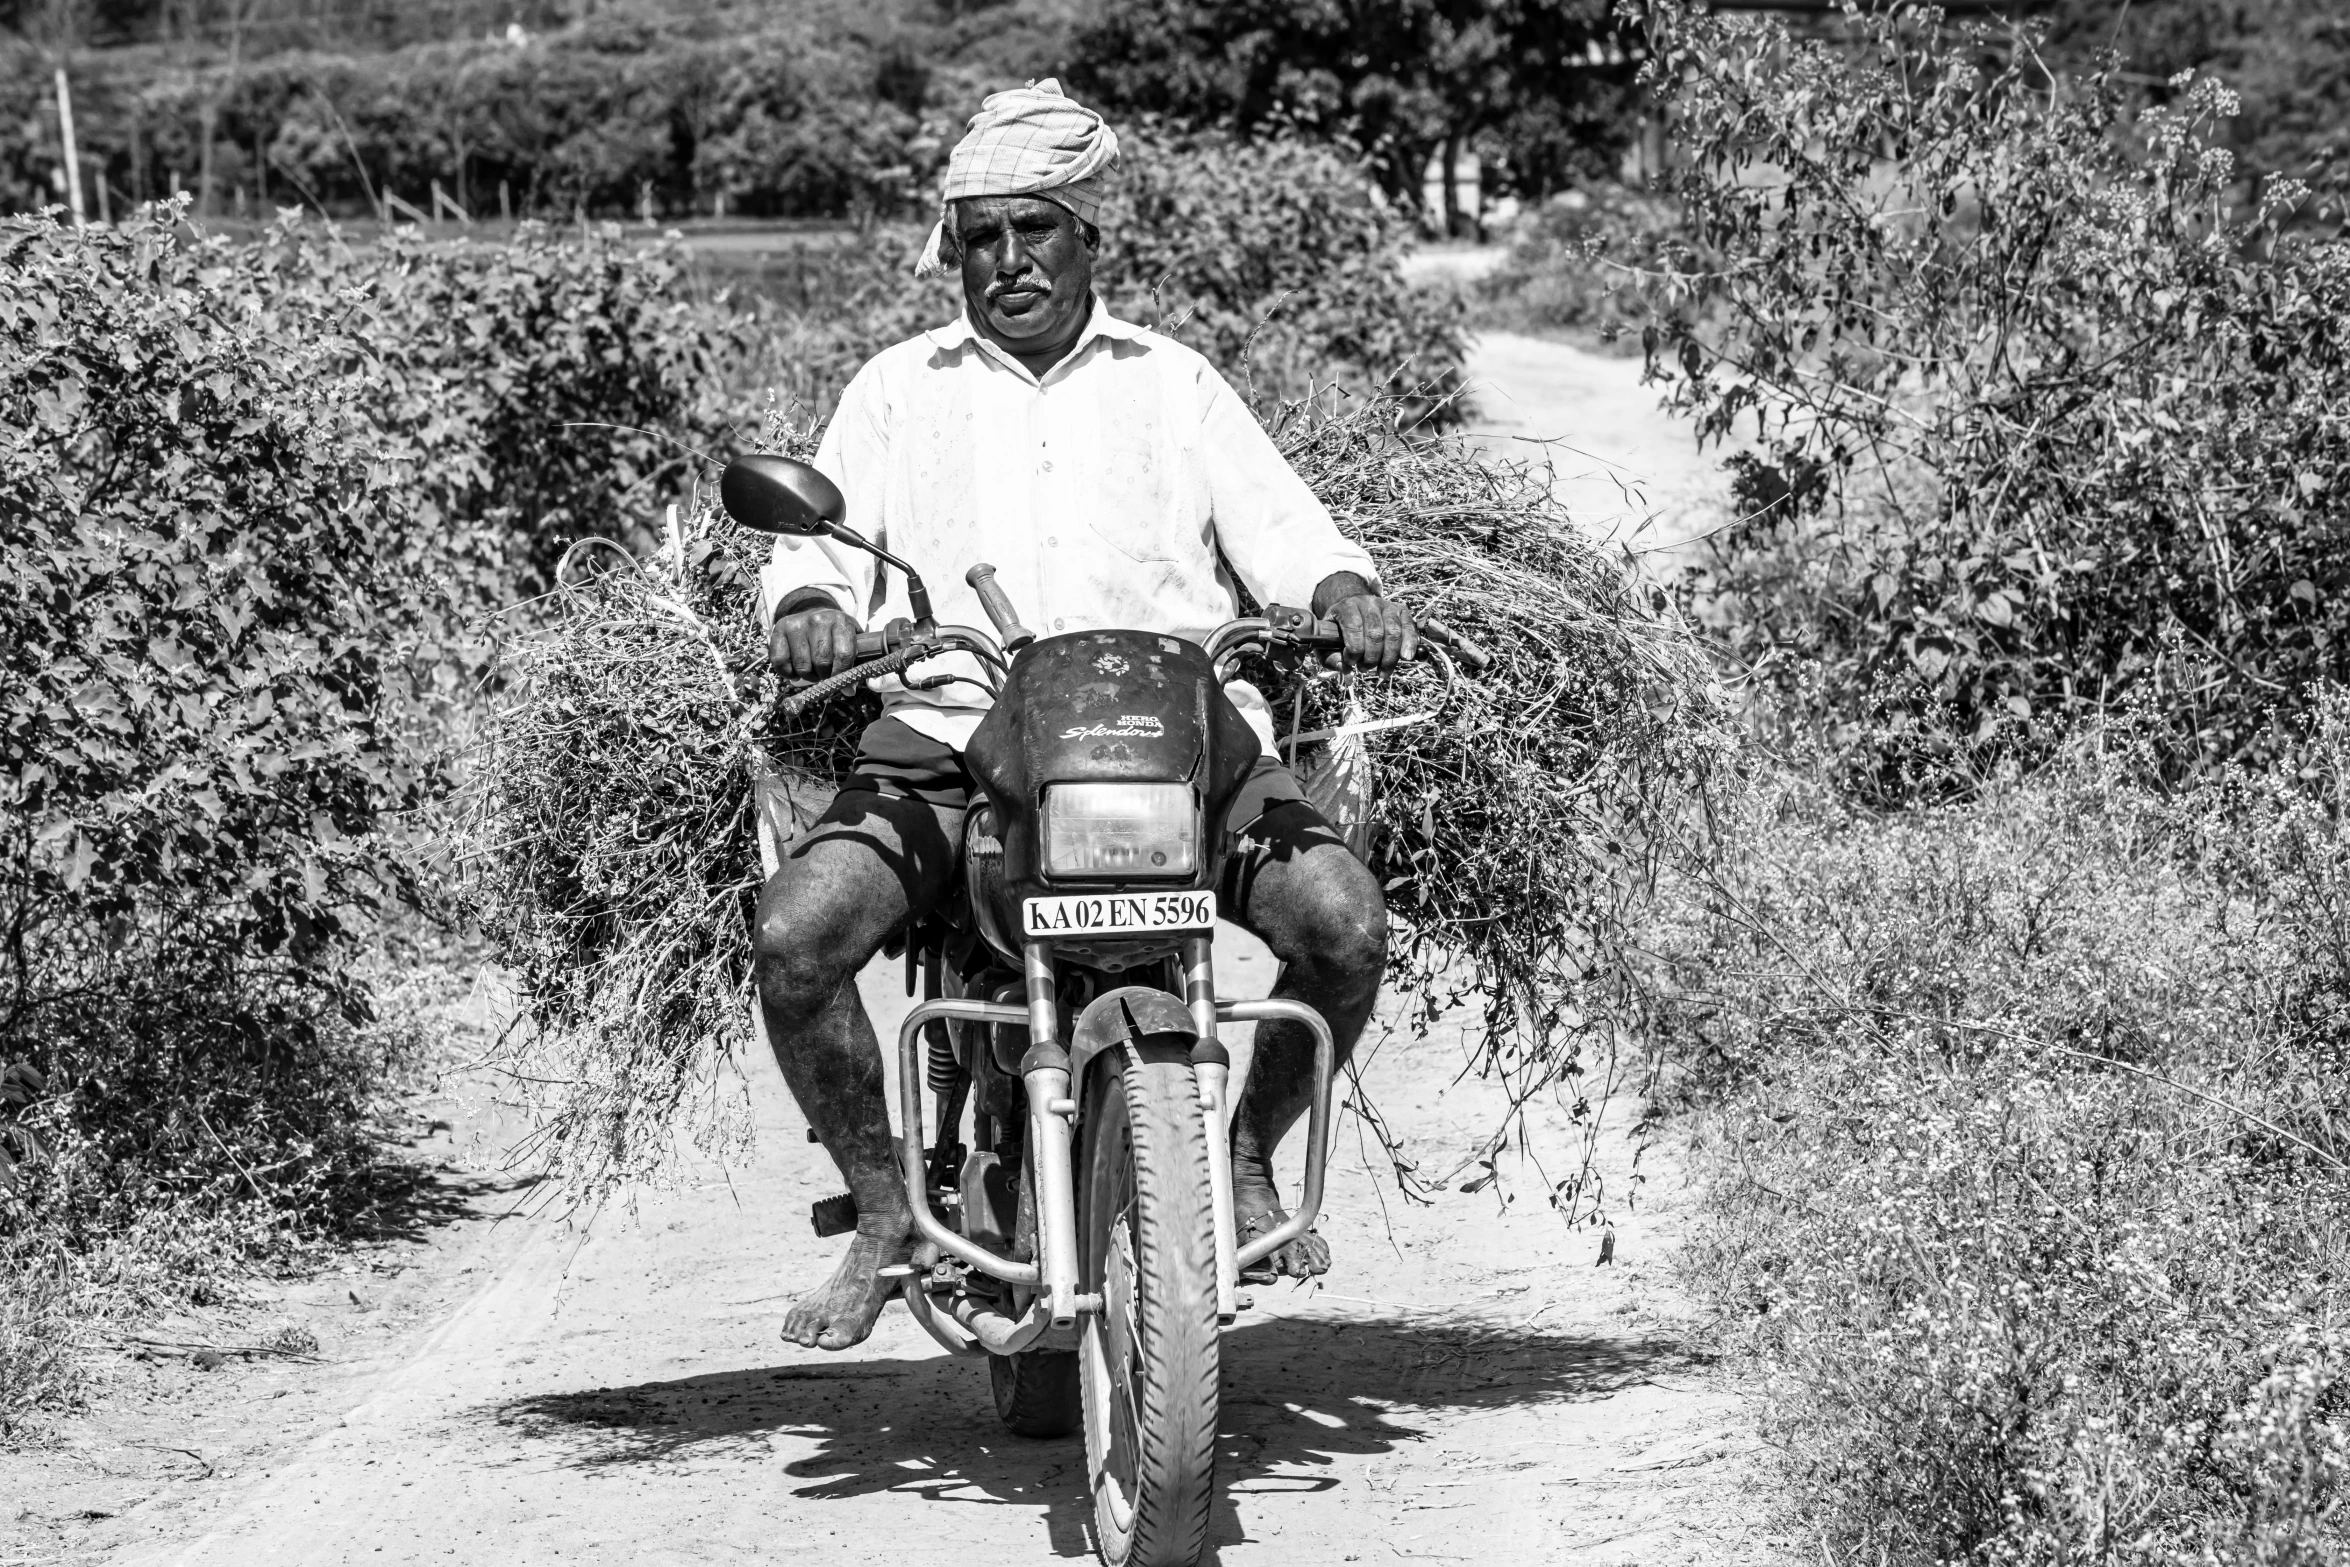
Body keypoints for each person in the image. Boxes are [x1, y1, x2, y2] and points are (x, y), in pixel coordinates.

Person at [753, 79, 1415, 1351]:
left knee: (1345, 925)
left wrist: (1343, 588)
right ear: (955, 251)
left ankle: (1248, 1150)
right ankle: (890, 1208)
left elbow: (1286, 531)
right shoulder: (898, 387)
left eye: (1035, 230)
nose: (1008, 261)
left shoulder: (1174, 382)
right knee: (795, 935)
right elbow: (813, 552)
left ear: (1087, 238)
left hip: (1173, 731)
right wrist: (810, 608)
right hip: (953, 731)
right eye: (982, 237)